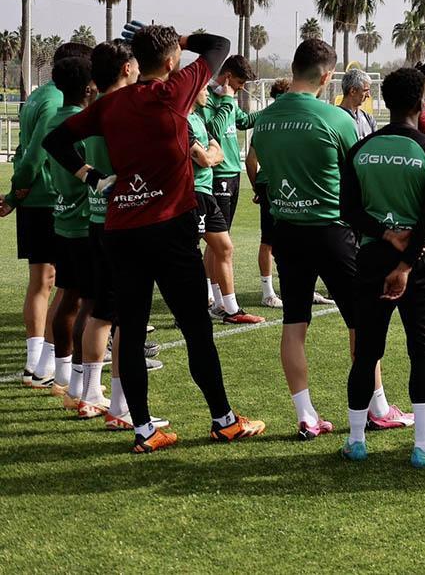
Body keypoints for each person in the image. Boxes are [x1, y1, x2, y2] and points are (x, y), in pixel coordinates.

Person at [43, 23, 264, 453]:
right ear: (169, 62)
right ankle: (224, 420)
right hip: (169, 228)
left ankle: (143, 429)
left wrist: (90, 177)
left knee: (130, 324)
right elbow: (219, 45)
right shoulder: (174, 89)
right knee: (197, 328)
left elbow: (56, 140)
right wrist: (177, 42)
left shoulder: (111, 104)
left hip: (121, 229)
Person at [252, 39, 410, 439]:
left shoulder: (265, 119)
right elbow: (358, 177)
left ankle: (306, 416)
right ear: (326, 77)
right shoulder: (335, 118)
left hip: (286, 230)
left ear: (293, 68)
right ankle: (376, 407)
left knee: (294, 324)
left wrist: (272, 192)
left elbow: (257, 166)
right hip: (332, 231)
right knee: (363, 321)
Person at [339, 68, 425, 467]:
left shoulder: (360, 150)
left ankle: (356, 442)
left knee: (366, 354)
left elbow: (348, 211)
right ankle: (424, 447)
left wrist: (385, 234)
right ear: (423, 102)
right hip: (419, 265)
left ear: (386, 102)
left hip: (372, 260)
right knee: (422, 354)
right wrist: (406, 265)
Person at [80, 41, 166, 428]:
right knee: (122, 318)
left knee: (102, 311)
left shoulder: (92, 112)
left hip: (95, 219)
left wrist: (91, 179)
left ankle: (89, 394)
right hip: (123, 222)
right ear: (128, 69)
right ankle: (118, 406)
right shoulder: (120, 112)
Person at [2, 41, 92, 387]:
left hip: (35, 201)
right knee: (65, 287)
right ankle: (47, 365)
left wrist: (15, 194)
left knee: (44, 283)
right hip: (47, 201)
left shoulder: (40, 96)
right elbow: (39, 150)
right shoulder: (57, 102)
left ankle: (37, 362)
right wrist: (15, 191)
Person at [43, 56, 95, 412]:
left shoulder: (54, 121)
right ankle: (81, 383)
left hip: (60, 219)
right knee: (90, 305)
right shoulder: (82, 127)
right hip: (84, 224)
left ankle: (63, 375)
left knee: (67, 297)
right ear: (89, 87)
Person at [190, 89, 263, 325]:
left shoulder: (199, 118)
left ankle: (231, 310)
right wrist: (209, 156)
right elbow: (205, 159)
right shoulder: (181, 120)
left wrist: (210, 156)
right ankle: (188, 310)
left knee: (224, 247)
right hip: (190, 194)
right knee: (188, 254)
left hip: (206, 191)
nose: (206, 93)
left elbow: (216, 153)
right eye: (202, 89)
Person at [200, 55, 258, 315]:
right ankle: (215, 298)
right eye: (240, 81)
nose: (242, 87)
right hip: (218, 174)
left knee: (221, 241)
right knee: (217, 242)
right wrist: (225, 101)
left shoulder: (228, 100)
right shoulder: (209, 99)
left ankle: (216, 297)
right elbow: (214, 128)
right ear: (227, 77)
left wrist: (276, 109)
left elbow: (243, 121)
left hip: (233, 174)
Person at [245, 77, 292, 308]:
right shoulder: (294, 113)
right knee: (287, 237)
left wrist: (256, 186)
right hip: (288, 183)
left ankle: (270, 291)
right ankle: (271, 292)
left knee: (270, 238)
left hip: (268, 183)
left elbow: (250, 160)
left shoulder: (264, 117)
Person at [340, 68, 376, 140]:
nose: (368, 95)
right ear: (353, 91)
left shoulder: (369, 119)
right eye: (365, 91)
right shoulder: (335, 118)